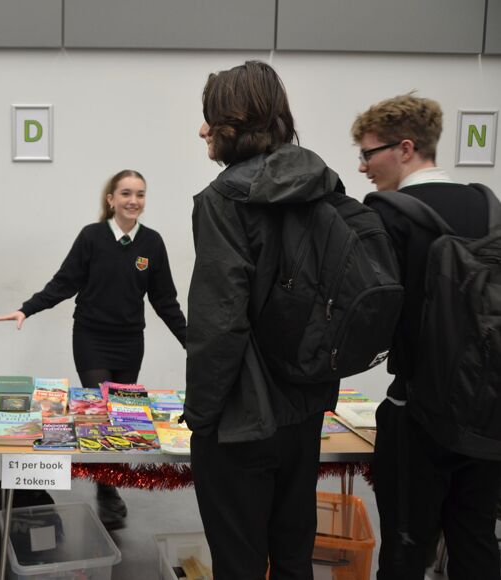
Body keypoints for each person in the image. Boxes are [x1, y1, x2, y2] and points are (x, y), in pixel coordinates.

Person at [185, 61, 342, 579]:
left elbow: (220, 323)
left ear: (233, 123)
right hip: (306, 407)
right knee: (295, 557)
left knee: (240, 564)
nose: (203, 130)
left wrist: (201, 417)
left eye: (210, 118)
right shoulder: (323, 185)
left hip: (242, 420)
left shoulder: (222, 199)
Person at [354, 93, 501, 580]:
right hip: (486, 411)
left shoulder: (388, 214)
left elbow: (371, 319)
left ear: (405, 148)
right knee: (476, 541)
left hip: (417, 413)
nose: (363, 167)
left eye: (368, 153)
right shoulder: (488, 206)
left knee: (406, 546)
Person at [0, 169, 187, 529]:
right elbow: (64, 283)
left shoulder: (152, 243)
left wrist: (193, 343)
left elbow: (165, 300)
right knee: (100, 411)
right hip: (91, 338)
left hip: (130, 342)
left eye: (140, 194)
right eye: (126, 193)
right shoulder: (91, 237)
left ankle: (107, 481)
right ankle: (108, 490)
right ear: (110, 199)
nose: (133, 201)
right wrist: (26, 309)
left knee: (122, 416)